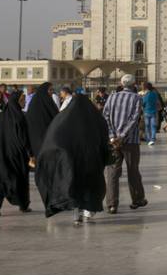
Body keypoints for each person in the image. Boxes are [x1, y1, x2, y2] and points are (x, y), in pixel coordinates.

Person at [35, 93, 111, 224]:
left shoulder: (63, 118)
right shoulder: (95, 118)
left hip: (72, 160)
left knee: (75, 185)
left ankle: (77, 215)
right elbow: (104, 136)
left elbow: (54, 136)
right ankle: (88, 211)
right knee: (90, 186)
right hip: (91, 160)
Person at [102, 74, 148, 215]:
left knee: (112, 172)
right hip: (130, 142)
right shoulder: (136, 98)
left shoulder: (112, 97)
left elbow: (105, 117)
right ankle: (137, 199)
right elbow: (134, 119)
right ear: (134, 84)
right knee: (133, 170)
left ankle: (111, 204)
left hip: (113, 142)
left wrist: (112, 137)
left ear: (121, 84)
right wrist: (122, 136)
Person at [0, 89, 33, 216]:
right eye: (22, 99)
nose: (23, 102)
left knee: (3, 179)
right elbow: (24, 137)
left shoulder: (1, 117)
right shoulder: (20, 117)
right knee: (20, 179)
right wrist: (30, 153)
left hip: (1, 154)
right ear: (16, 101)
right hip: (16, 155)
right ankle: (23, 205)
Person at [25, 81, 58, 160]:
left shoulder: (47, 101)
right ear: (44, 90)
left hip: (46, 135)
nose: (52, 92)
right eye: (50, 90)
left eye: (52, 90)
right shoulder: (37, 102)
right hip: (39, 136)